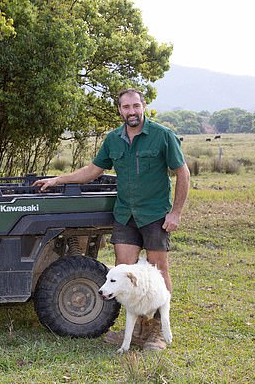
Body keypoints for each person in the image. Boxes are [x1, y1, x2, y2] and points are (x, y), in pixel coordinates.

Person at [33, 88, 190, 351]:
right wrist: (58, 179)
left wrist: (176, 212)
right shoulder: (114, 139)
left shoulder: (163, 136)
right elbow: (93, 170)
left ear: (143, 107)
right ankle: (137, 328)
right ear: (120, 110)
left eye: (135, 106)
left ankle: (157, 331)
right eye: (126, 107)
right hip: (125, 214)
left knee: (158, 272)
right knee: (123, 270)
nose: (131, 111)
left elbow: (183, 174)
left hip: (154, 215)